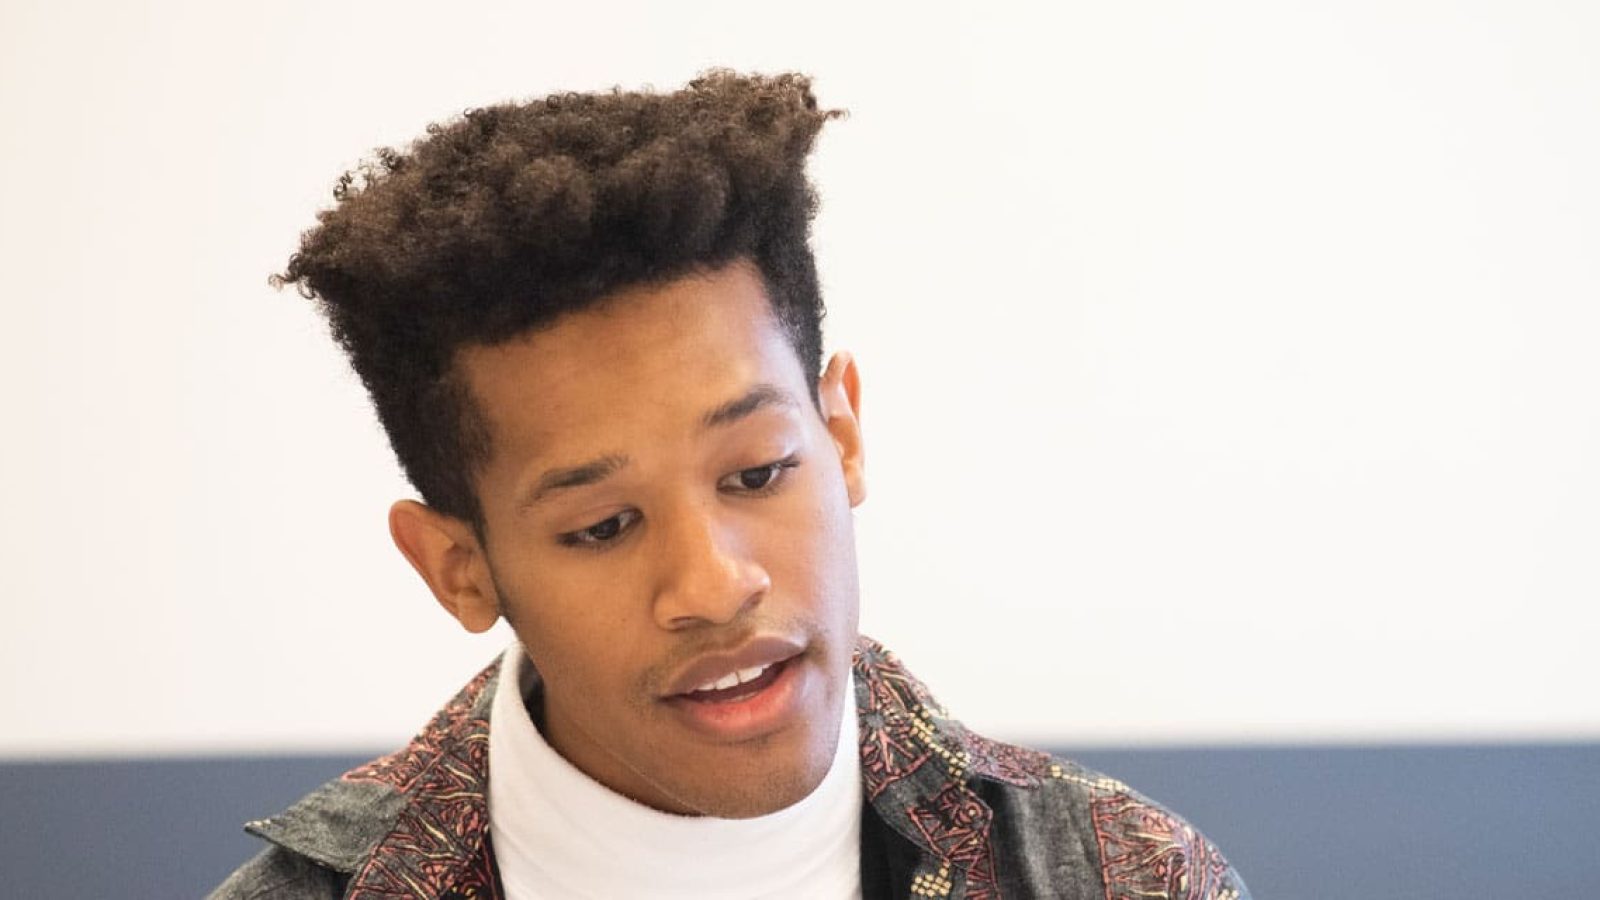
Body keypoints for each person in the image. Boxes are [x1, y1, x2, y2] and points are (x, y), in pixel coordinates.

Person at [211, 71, 1250, 900]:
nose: (712, 586)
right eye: (603, 526)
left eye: (756, 473)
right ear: (458, 568)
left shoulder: (1128, 879)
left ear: (842, 437)